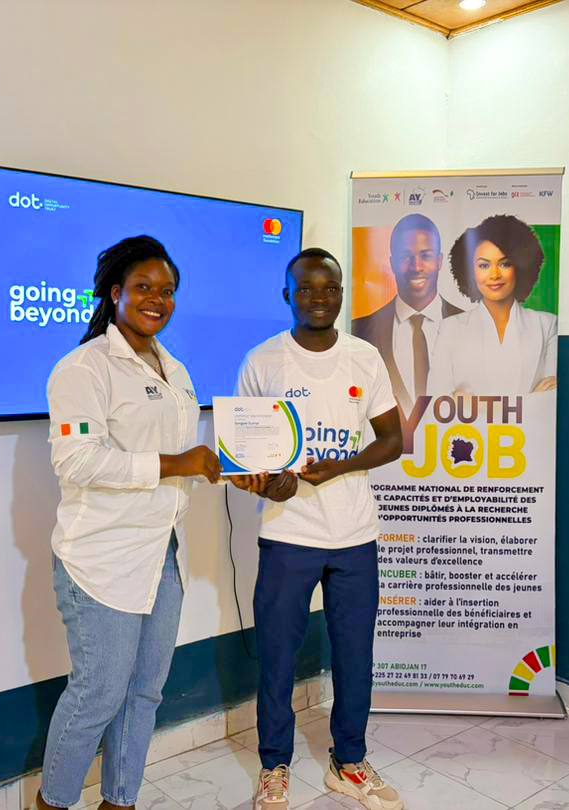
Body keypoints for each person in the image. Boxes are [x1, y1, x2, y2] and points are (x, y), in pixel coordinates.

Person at [36, 235, 221, 810]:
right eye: (144, 288)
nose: (157, 300)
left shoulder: (175, 369)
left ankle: (120, 801)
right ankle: (53, 803)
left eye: (167, 291)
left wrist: (227, 469)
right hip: (101, 560)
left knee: (144, 694)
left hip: (163, 554)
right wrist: (178, 464)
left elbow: (183, 460)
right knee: (97, 695)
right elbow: (77, 461)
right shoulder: (83, 369)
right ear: (115, 293)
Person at [232, 248, 405, 810]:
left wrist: (342, 466)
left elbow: (392, 441)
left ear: (341, 294)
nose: (319, 298)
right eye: (306, 289)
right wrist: (268, 485)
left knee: (356, 656)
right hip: (288, 535)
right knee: (278, 658)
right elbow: (244, 461)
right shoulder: (262, 362)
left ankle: (348, 762)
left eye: (329, 288)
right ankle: (274, 766)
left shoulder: (364, 358)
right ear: (288, 295)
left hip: (355, 536)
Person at [428, 215, 558, 395]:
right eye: (484, 266)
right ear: (470, 271)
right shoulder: (449, 329)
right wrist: (529, 398)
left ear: (520, 267)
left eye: (505, 264)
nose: (495, 275)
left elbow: (550, 399)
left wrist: (470, 403)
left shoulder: (547, 326)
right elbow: (437, 401)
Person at [351, 214, 462, 412]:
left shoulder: (471, 326)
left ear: (439, 261)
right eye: (405, 257)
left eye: (425, 256)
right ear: (392, 263)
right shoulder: (359, 330)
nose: (416, 267)